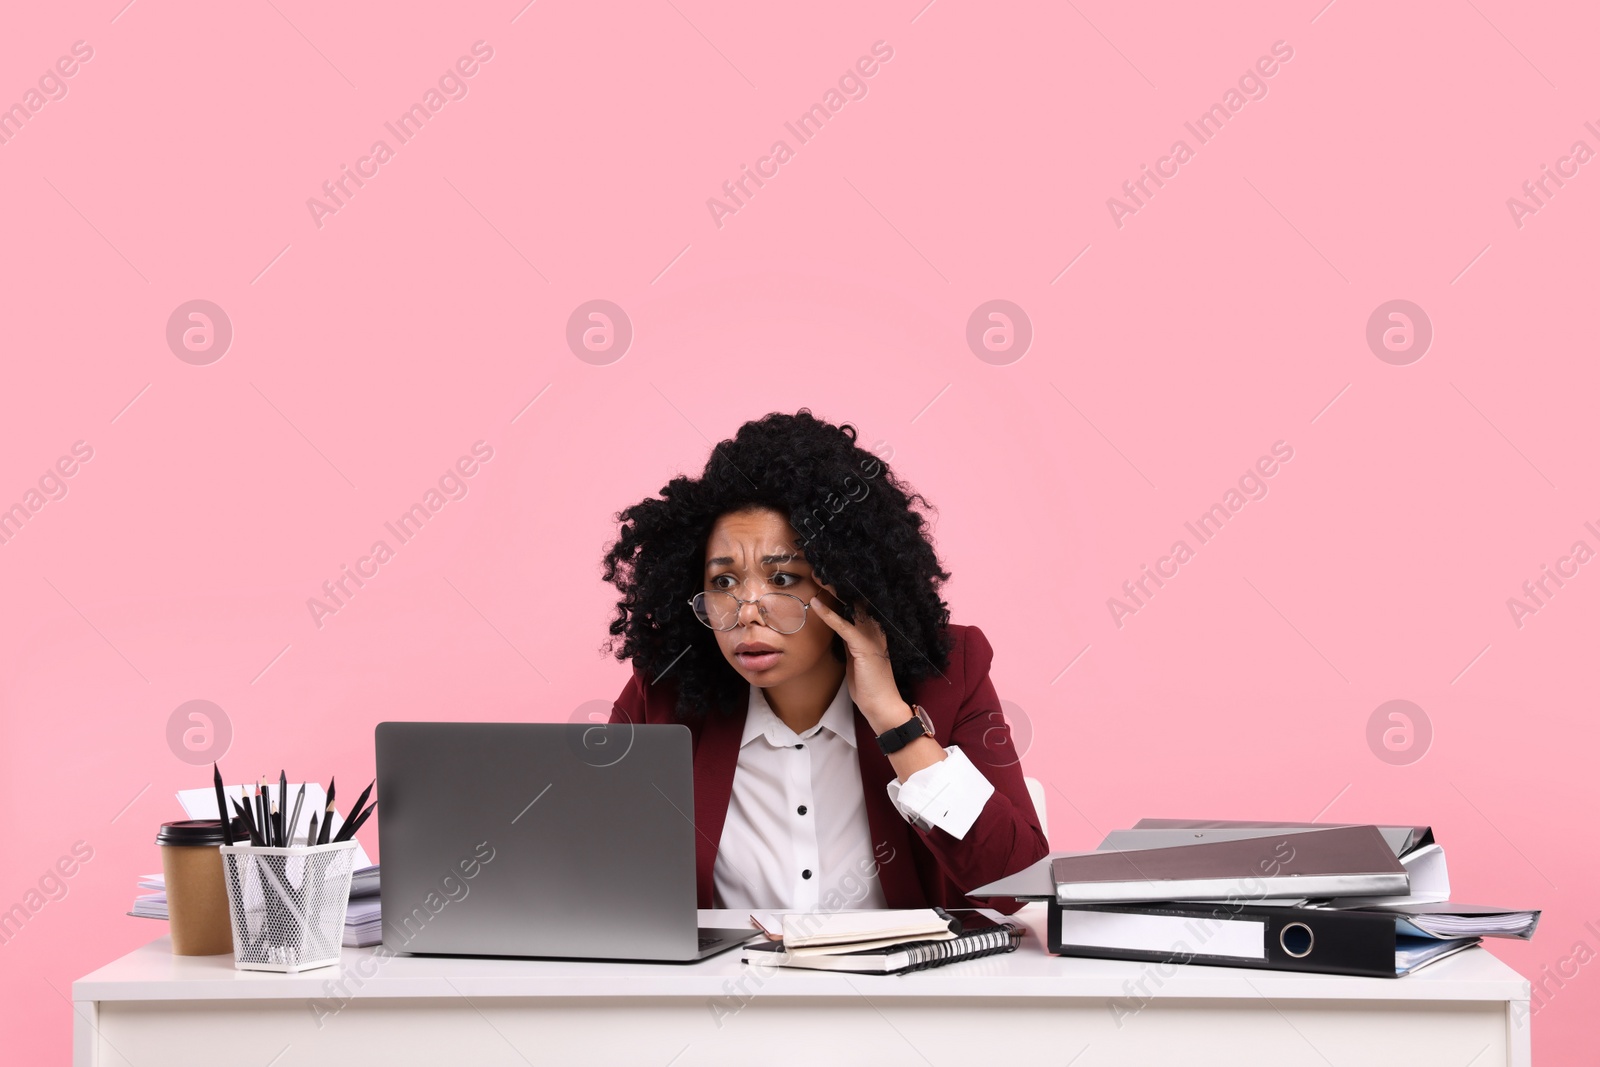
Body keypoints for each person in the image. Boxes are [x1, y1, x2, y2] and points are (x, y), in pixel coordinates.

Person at [601, 409, 1047, 914]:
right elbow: (589, 873)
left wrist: (893, 721)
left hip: (902, 990)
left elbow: (1018, 883)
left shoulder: (948, 675)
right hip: (725, 990)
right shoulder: (662, 692)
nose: (747, 611)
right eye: (723, 582)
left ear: (846, 584)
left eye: (784, 579)